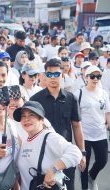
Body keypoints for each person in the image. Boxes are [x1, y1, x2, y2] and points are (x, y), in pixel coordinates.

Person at [30, 58, 86, 190]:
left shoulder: (71, 98)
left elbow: (77, 126)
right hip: (44, 155)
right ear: (44, 76)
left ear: (62, 74)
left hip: (65, 155)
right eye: (49, 74)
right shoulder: (36, 100)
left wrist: (82, 153)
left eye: (57, 74)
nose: (53, 77)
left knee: (67, 187)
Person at [13, 101, 82, 190]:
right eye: (23, 116)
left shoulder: (50, 137)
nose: (26, 119)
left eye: (31, 115)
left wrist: (53, 169)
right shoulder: (25, 142)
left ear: (41, 119)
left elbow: (75, 153)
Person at [74, 65, 110, 190]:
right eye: (93, 76)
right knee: (84, 164)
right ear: (86, 77)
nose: (95, 79)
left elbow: (107, 112)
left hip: (100, 133)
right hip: (84, 135)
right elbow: (74, 116)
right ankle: (85, 187)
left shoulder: (103, 93)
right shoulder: (78, 93)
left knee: (102, 160)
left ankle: (92, 176)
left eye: (98, 76)